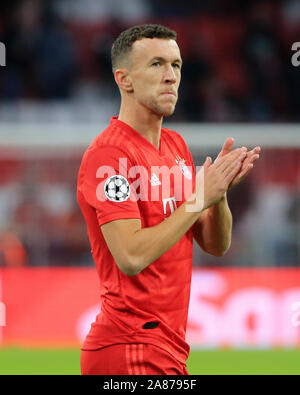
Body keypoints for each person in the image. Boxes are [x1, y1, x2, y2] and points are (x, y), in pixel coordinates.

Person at [77, 24, 260, 375]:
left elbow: (216, 245)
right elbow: (130, 256)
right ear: (124, 79)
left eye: (176, 65)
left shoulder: (176, 146)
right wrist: (197, 200)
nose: (171, 76)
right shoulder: (109, 156)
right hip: (129, 347)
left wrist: (216, 196)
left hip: (168, 347)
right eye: (157, 64)